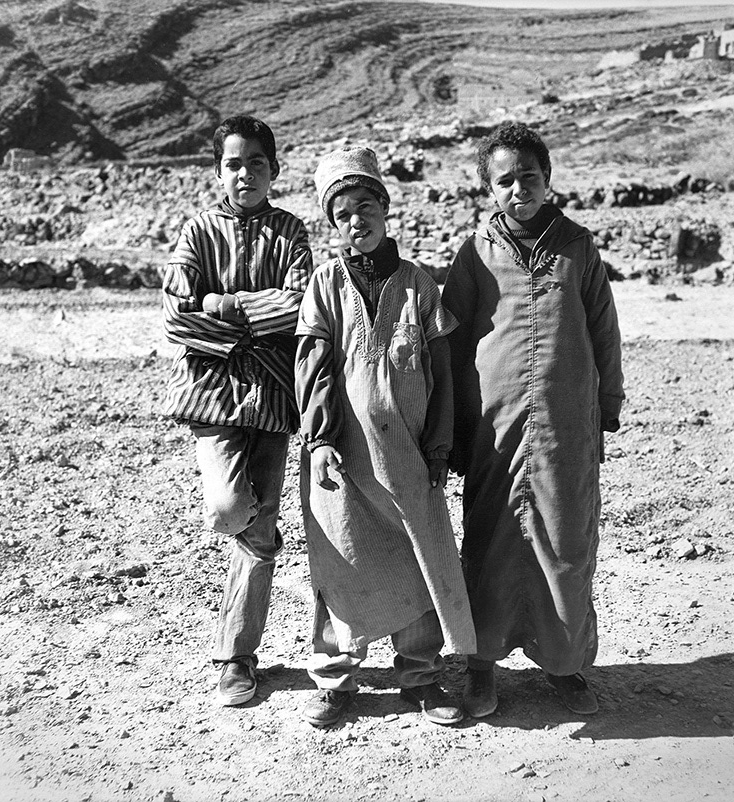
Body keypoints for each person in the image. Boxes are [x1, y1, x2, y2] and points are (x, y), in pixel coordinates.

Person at [441, 121, 624, 718]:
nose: (517, 188)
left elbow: (603, 329)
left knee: (567, 542)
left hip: (566, 425)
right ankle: (480, 668)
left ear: (547, 179)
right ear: (488, 189)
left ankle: (565, 667)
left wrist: (609, 402)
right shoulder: (475, 252)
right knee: (488, 543)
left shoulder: (578, 247)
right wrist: (451, 429)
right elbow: (451, 342)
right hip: (494, 428)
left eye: (528, 176)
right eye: (504, 181)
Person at [294, 146, 476, 728]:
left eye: (365, 207)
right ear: (333, 224)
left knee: (418, 560)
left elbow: (442, 374)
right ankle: (335, 679)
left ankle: (419, 677)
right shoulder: (325, 284)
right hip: (343, 458)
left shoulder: (419, 283)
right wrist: (321, 439)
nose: (356, 221)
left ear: (385, 208)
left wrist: (439, 447)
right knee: (341, 559)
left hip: (408, 456)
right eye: (342, 213)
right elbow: (314, 366)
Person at [162, 115, 313, 706]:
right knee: (230, 509)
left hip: (273, 397)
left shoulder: (290, 231)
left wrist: (223, 305)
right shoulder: (197, 231)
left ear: (274, 169)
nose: (244, 173)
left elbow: (299, 305)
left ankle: (236, 657)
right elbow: (177, 316)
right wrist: (252, 326)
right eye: (233, 163)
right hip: (212, 394)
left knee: (259, 533)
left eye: (256, 162)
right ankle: (255, 537)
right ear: (217, 171)